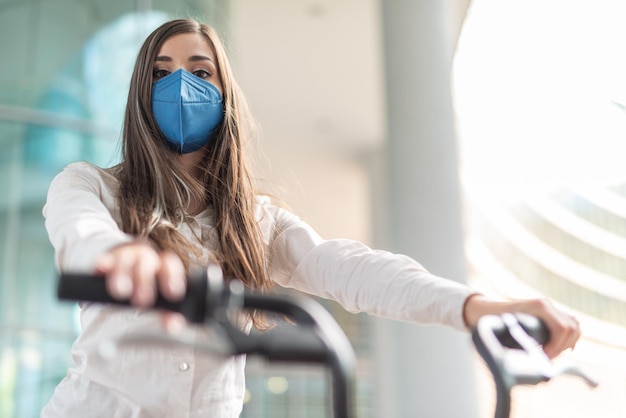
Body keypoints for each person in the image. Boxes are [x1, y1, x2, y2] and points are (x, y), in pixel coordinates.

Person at [40, 18, 580, 418]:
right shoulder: (92, 186)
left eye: (199, 71)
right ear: (141, 95)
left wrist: (475, 306)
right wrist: (119, 256)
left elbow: (350, 268)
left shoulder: (254, 223)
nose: (181, 86)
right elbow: (79, 232)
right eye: (162, 74)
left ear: (224, 96)